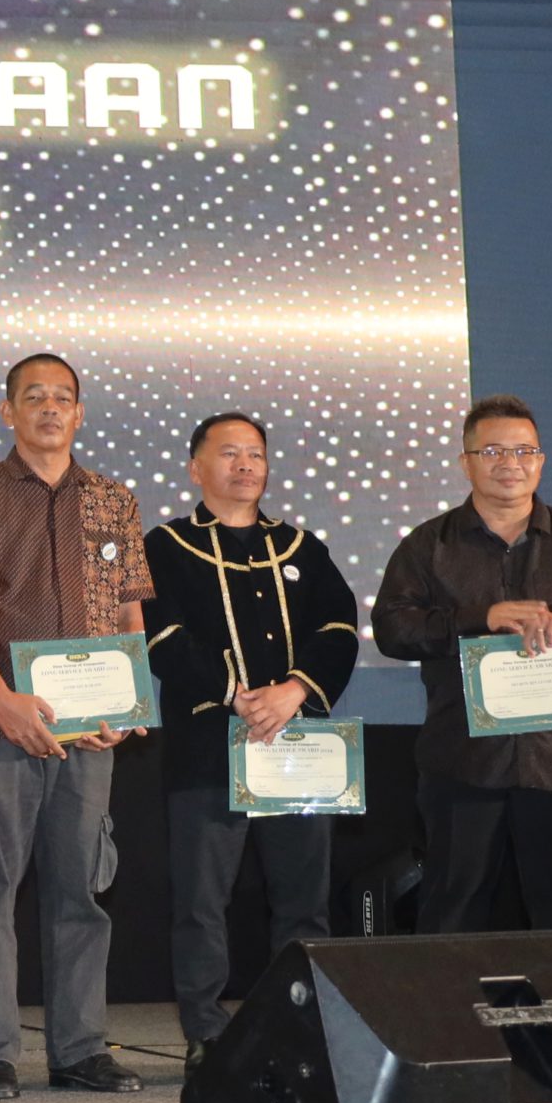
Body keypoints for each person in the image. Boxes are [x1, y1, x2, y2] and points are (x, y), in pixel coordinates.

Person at [0, 352, 153, 1100]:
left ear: (80, 413)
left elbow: (129, 611)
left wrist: (127, 703)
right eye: (35, 397)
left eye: (64, 397)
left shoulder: (114, 500)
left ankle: (81, 1049)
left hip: (89, 730)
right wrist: (2, 699)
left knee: (81, 890)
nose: (51, 409)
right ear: (9, 411)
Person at [372, 395, 552, 933]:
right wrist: (481, 618)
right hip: (462, 762)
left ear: (541, 461)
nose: (510, 463)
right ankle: (452, 996)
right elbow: (393, 628)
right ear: (466, 462)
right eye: (493, 451)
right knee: (451, 917)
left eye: (524, 451)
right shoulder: (428, 546)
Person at [141, 412, 359, 1067]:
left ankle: (296, 1025)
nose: (245, 465)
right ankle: (206, 1032)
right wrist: (235, 693)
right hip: (207, 750)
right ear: (195, 468)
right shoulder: (166, 546)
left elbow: (339, 629)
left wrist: (295, 689)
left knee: (304, 902)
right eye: (229, 452)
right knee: (202, 903)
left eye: (255, 454)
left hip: (298, 748)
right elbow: (163, 636)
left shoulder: (301, 547)